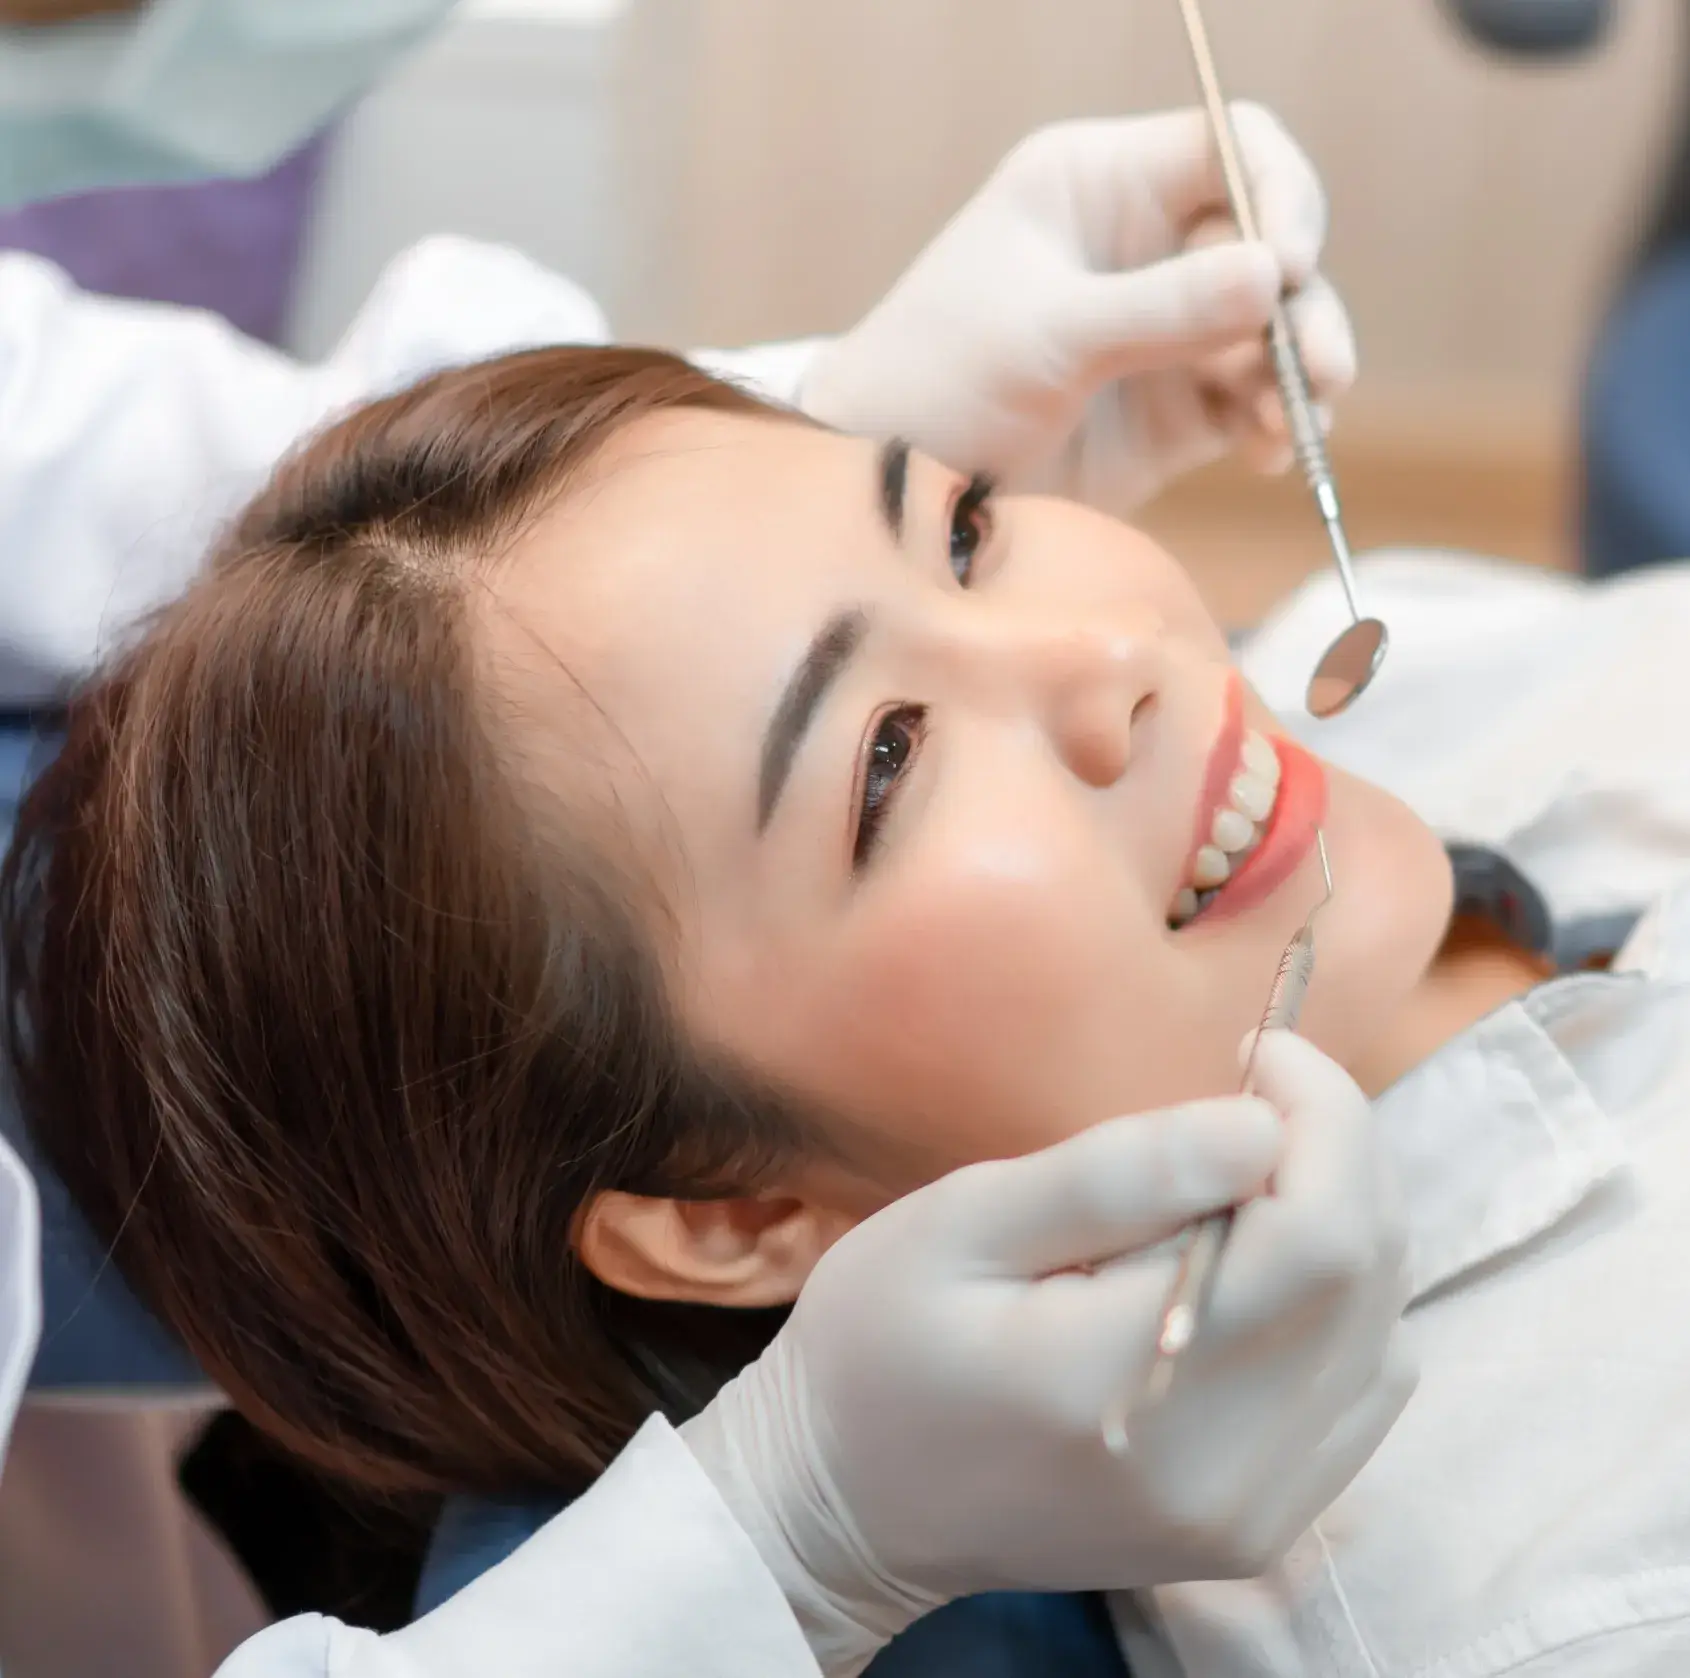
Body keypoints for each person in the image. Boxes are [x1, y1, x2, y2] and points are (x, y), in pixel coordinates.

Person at [11, 330, 1690, 1676]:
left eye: (961, 532)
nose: (1106, 655)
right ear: (731, 1213)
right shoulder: (1553, 1592)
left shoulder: (1408, 658)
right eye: (886, 761)